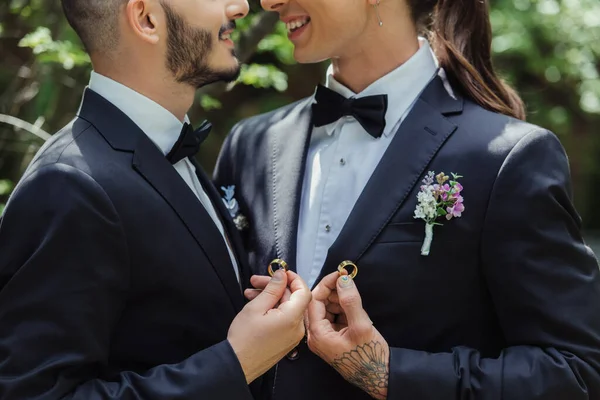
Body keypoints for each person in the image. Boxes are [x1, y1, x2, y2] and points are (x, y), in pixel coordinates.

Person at [213, 0, 600, 398]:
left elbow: (575, 373)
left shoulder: (507, 157)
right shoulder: (251, 145)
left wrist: (390, 374)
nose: (271, 1)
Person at [0, 0, 312, 398]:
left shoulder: (168, 152)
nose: (240, 6)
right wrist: (237, 362)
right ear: (146, 18)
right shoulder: (67, 184)